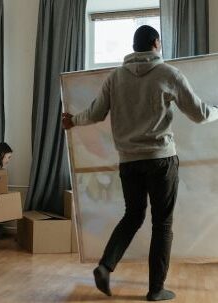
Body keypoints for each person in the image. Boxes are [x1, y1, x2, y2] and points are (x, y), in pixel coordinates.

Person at [62, 25, 218, 301]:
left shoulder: (116, 77)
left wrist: (73, 120)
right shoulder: (169, 74)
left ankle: (105, 265)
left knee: (133, 215)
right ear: (156, 43)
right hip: (161, 160)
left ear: (134, 47)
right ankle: (156, 289)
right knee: (162, 224)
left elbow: (96, 113)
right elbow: (199, 114)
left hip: (129, 163)